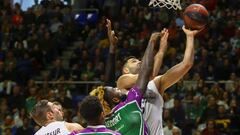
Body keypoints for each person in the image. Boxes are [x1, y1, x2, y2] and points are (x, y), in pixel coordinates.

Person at [117, 26, 200, 135]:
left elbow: (187, 64)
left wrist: (190, 36)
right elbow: (149, 75)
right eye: (133, 61)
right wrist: (156, 47)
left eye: (139, 59)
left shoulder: (156, 84)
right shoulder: (122, 82)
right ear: (126, 70)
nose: (139, 61)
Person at [87, 31, 158, 135]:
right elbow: (146, 72)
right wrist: (152, 42)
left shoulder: (104, 123)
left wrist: (112, 48)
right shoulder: (129, 102)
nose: (117, 88)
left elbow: (107, 83)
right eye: (115, 89)